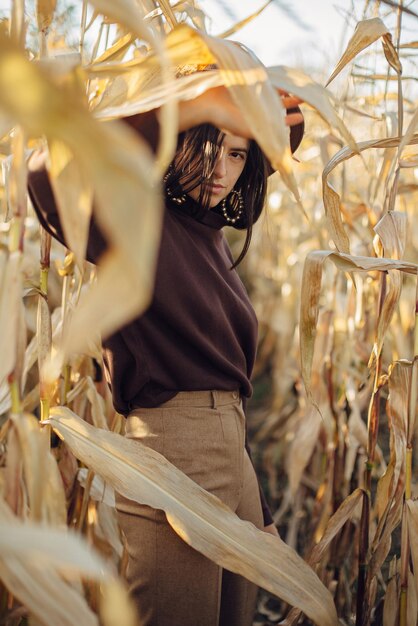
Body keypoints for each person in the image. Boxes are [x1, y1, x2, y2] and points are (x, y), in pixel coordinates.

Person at [27, 81, 304, 626]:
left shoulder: (209, 239)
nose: (221, 169)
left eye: (237, 153)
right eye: (208, 145)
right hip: (172, 457)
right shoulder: (131, 218)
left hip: (233, 454)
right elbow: (47, 173)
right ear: (177, 141)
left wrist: (260, 509)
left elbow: (225, 385)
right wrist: (194, 102)